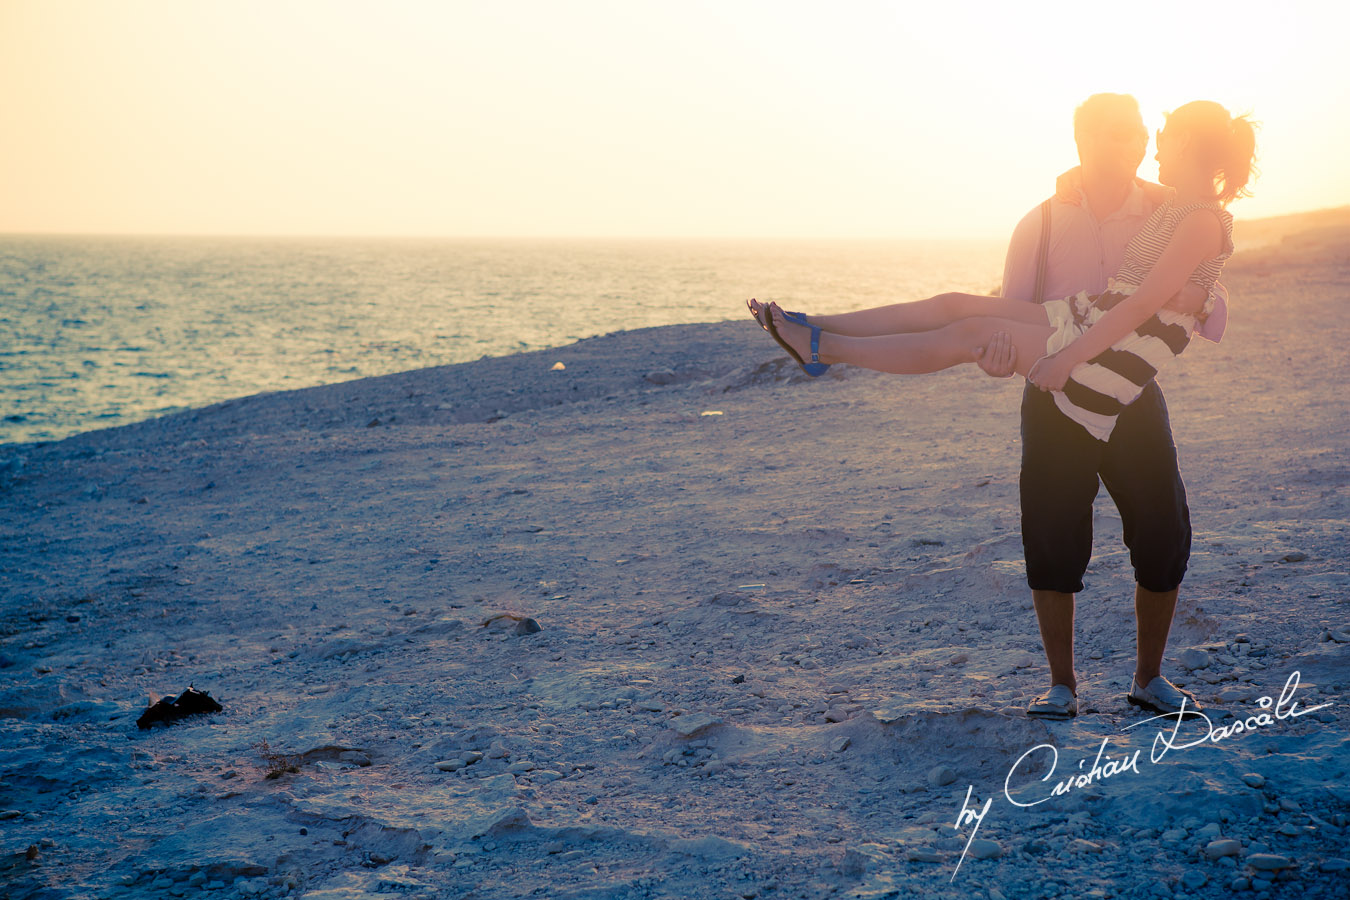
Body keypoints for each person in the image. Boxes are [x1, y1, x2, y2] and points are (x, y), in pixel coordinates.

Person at [747, 97, 1256, 717]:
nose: (1143, 147)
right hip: (1072, 335)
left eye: (1149, 136)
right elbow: (1177, 273)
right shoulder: (1043, 223)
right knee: (958, 310)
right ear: (1081, 140)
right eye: (1122, 136)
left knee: (1161, 531)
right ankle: (814, 330)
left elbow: (1174, 284)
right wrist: (1008, 355)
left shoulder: (1168, 203)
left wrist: (1200, 299)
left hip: (1106, 364)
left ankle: (1148, 678)